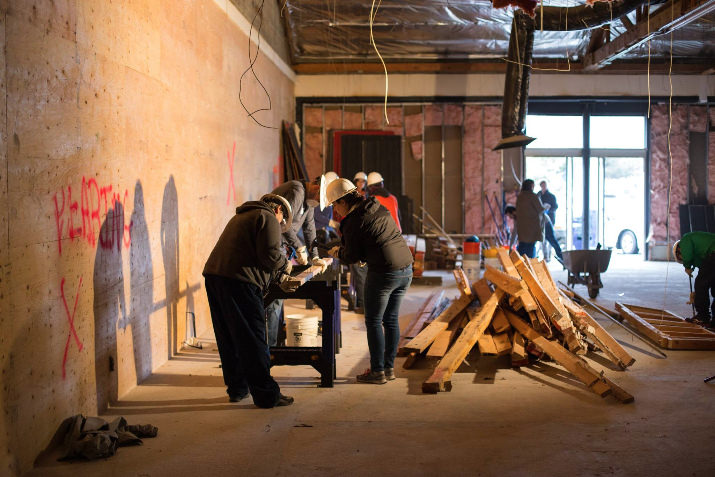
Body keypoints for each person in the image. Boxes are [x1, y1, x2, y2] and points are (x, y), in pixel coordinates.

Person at [202, 194, 296, 407]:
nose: (280, 224)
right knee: (254, 337)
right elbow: (270, 255)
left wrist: (275, 272)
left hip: (215, 277)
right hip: (239, 282)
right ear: (279, 210)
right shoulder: (268, 217)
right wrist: (285, 264)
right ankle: (266, 395)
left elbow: (252, 254)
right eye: (283, 220)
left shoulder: (243, 216)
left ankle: (237, 388)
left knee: (229, 337)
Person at [326, 178, 413, 384]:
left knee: (373, 321)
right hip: (406, 268)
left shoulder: (352, 220)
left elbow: (352, 256)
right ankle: (388, 369)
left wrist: (337, 252)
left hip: (385, 272)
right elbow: (374, 238)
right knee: (390, 320)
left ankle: (377, 372)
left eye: (335, 205)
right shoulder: (375, 206)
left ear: (343, 201)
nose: (336, 211)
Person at [266, 177, 330, 345]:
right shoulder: (297, 191)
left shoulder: (308, 202)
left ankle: (274, 342)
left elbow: (309, 229)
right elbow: (284, 224)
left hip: (281, 247)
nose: (316, 203)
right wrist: (299, 247)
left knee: (277, 299)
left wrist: (315, 255)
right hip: (272, 245)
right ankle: (269, 349)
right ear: (316, 187)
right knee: (274, 297)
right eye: (318, 198)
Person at [673, 232, 715, 329]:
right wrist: (695, 295)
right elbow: (705, 269)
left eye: (680, 258)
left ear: (679, 250)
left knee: (700, 284)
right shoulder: (700, 253)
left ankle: (702, 317)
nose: (683, 259)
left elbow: (687, 254)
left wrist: (687, 266)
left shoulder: (685, 240)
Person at [515, 179, 545, 258]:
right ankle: (529, 266)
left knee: (522, 247)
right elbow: (540, 209)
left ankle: (520, 266)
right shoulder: (533, 196)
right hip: (532, 227)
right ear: (531, 186)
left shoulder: (520, 197)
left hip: (522, 227)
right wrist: (546, 207)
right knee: (530, 248)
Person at [537, 181, 559, 261]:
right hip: (541, 220)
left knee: (551, 238)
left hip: (550, 219)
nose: (543, 187)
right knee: (543, 239)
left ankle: (549, 255)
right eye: (542, 185)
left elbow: (555, 207)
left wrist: (548, 209)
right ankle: (545, 256)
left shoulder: (551, 196)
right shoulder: (538, 195)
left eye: (544, 185)